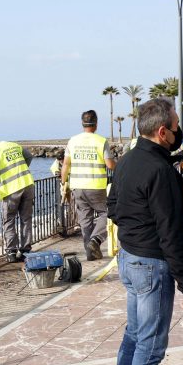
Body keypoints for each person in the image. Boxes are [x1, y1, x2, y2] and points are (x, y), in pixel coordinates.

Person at [108, 98, 183, 365]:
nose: (180, 131)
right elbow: (172, 234)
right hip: (150, 266)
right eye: (177, 126)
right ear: (163, 131)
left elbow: (114, 208)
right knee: (149, 348)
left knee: (133, 338)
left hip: (129, 258)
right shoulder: (161, 171)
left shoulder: (129, 160)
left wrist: (134, 231)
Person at [62, 111, 116, 261]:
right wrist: (122, 170)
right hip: (96, 186)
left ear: (82, 123)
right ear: (96, 124)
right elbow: (110, 164)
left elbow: (66, 164)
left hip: (77, 186)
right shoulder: (101, 141)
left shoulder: (73, 141)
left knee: (85, 220)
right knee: (108, 213)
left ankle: (90, 253)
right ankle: (96, 240)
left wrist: (63, 183)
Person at [0, 135, 35, 260]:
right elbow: (29, 156)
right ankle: (26, 250)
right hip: (27, 184)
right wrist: (20, 171)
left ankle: (11, 252)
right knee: (26, 219)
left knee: (9, 220)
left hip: (10, 189)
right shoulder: (13, 144)